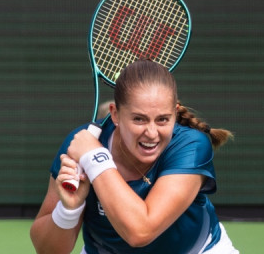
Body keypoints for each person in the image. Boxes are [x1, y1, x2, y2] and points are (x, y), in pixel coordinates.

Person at [30, 59, 238, 254]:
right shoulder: (78, 146)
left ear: (175, 114)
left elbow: (141, 231)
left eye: (163, 120)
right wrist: (69, 210)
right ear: (115, 114)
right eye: (139, 119)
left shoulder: (191, 145)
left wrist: (95, 159)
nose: (151, 133)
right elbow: (48, 250)